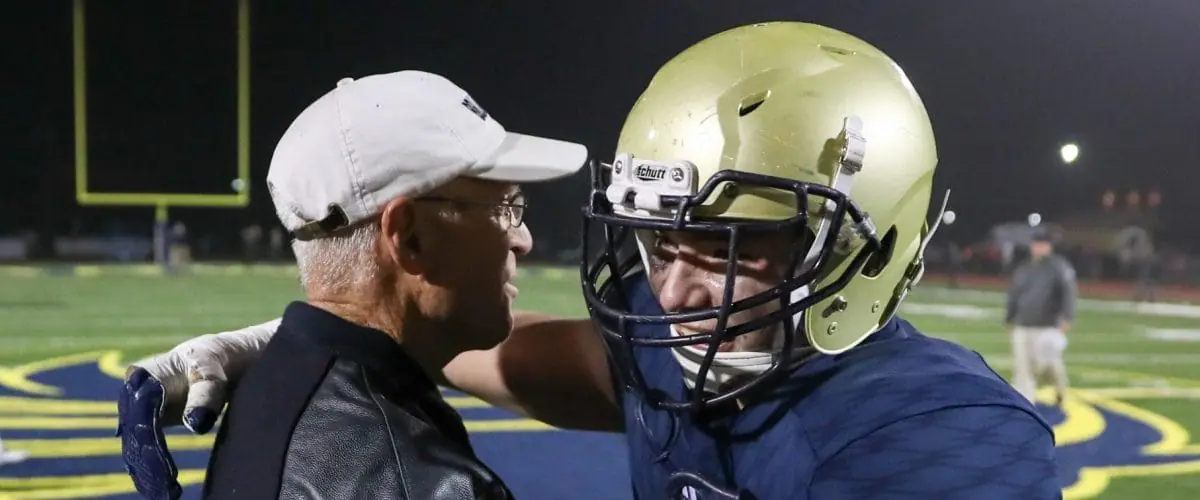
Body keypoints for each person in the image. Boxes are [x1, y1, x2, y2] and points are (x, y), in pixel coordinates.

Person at [119, 22, 1060, 499]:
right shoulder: (680, 348)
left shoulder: (944, 440)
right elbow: (490, 347)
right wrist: (304, 346)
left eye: (732, 253)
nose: (676, 291)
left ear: (868, 246)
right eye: (660, 241)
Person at [116, 69, 587, 500]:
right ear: (410, 238)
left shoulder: (277, 387)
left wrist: (314, 345)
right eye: (505, 209)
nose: (523, 240)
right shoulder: (420, 482)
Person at [1006, 229, 1078, 407]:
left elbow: (1069, 292)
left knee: (1048, 365)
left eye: (1042, 244)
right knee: (1022, 366)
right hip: (1023, 324)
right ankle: (1025, 403)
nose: (1038, 248)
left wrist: (1067, 316)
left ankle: (1060, 387)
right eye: (1036, 244)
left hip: (1047, 325)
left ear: (1049, 247)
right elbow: (1014, 294)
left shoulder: (1059, 266)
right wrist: (1009, 316)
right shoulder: (1024, 268)